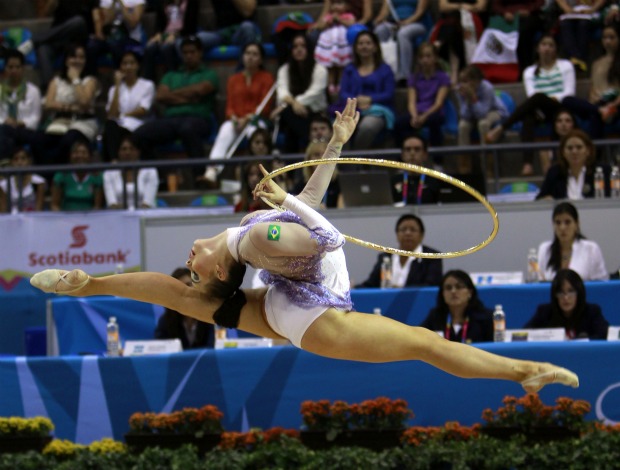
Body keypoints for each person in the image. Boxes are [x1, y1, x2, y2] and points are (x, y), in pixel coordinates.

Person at [31, 98, 579, 394]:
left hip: (293, 313)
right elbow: (324, 232)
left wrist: (333, 148)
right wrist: (285, 200)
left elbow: (315, 213)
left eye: (193, 266)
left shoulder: (252, 239)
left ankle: (89, 282)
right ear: (223, 266)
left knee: (179, 298)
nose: (191, 261)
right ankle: (519, 371)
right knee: (422, 342)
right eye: (199, 269)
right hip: (309, 314)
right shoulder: (256, 238)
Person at [486, 34, 576, 176]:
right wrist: (545, 100)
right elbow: (531, 95)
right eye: (544, 45)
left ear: (556, 49)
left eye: (551, 45)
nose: (547, 48)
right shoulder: (529, 71)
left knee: (539, 97)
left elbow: (569, 92)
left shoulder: (565, 66)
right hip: (540, 109)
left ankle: (502, 127)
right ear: (538, 49)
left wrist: (551, 98)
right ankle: (527, 164)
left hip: (561, 106)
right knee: (528, 117)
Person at [133, 36, 218, 160]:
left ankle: (199, 175)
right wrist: (190, 97)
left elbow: (201, 90)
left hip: (198, 119)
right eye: (185, 53)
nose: (189, 56)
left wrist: (172, 95)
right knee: (140, 135)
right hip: (171, 120)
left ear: (200, 53)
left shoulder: (209, 74)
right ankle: (156, 175)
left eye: (192, 52)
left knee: (188, 129)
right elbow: (160, 96)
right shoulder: (171, 75)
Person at [203, 42, 274, 185]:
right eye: (248, 53)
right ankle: (212, 171)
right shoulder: (233, 79)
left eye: (255, 54)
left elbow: (265, 107)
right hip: (236, 121)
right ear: (242, 56)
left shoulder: (267, 78)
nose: (251, 57)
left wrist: (248, 118)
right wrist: (234, 118)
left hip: (255, 120)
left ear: (260, 59)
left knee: (257, 135)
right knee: (225, 130)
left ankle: (259, 173)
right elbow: (229, 107)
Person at [41, 43, 100, 165]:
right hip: (59, 122)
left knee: (67, 141)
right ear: (67, 60)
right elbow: (48, 104)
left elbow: (84, 102)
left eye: (81, 57)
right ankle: (49, 178)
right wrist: (70, 107)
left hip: (83, 124)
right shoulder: (56, 81)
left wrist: (75, 79)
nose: (77, 60)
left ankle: (59, 176)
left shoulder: (90, 81)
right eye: (73, 57)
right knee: (40, 141)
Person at [271, 33, 328, 153]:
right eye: (295, 46)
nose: (299, 49)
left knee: (290, 127)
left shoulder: (320, 70)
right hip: (292, 113)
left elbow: (313, 94)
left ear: (309, 49)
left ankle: (291, 168)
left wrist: (291, 103)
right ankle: (312, 146)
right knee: (289, 116)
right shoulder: (284, 69)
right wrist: (293, 104)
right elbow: (282, 93)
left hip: (315, 113)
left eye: (303, 46)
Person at [337, 30, 395, 150]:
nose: (364, 46)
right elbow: (343, 92)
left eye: (368, 43)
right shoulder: (349, 69)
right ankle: (344, 163)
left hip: (378, 109)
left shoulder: (385, 69)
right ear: (356, 48)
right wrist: (356, 101)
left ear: (375, 47)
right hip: (353, 108)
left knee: (367, 127)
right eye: (361, 43)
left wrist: (370, 99)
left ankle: (355, 158)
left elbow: (389, 93)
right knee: (340, 128)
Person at [562, 23, 620, 140]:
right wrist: (595, 103)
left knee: (595, 115)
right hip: (598, 104)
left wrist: (613, 105)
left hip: (615, 103)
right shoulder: (596, 63)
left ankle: (595, 154)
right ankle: (600, 110)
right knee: (567, 100)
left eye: (611, 37)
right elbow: (593, 88)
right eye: (604, 38)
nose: (607, 41)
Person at [356, 213, 442, 288]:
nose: (408, 233)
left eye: (413, 230)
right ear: (397, 235)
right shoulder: (387, 257)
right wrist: (353, 288)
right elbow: (371, 284)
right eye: (403, 230)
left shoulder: (432, 257)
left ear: (421, 235)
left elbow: (431, 285)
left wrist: (401, 290)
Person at [524, 269, 609, 340]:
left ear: (579, 293)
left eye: (571, 291)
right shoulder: (545, 312)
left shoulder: (592, 312)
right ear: (555, 295)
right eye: (561, 292)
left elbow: (605, 335)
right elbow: (523, 335)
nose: (566, 298)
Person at [102, 50, 155, 162]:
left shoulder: (147, 85)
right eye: (125, 64)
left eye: (132, 63)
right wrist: (117, 85)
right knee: (109, 126)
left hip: (139, 127)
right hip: (119, 127)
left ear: (138, 66)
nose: (128, 67)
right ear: (120, 67)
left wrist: (123, 114)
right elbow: (111, 115)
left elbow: (143, 110)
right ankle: (114, 161)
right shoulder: (113, 89)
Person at [394, 42, 450, 148]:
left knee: (435, 123)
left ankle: (438, 162)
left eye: (428, 56)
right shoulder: (414, 78)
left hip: (433, 112)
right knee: (400, 124)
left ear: (435, 58)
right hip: (417, 111)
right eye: (422, 57)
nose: (425, 60)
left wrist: (424, 116)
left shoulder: (443, 77)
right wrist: (415, 116)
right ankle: (403, 159)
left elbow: (438, 103)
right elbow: (411, 102)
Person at [33, 0, 97, 93]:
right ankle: (48, 90)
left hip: (77, 38)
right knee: (43, 49)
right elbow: (45, 13)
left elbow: (95, 16)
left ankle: (37, 38)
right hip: (59, 37)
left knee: (78, 21)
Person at [537, 202, 609, 282]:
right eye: (558, 223)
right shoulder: (545, 249)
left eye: (567, 222)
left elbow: (601, 283)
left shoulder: (591, 249)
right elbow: (540, 282)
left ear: (577, 224)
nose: (562, 227)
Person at [456, 64, 508, 173]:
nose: (463, 84)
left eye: (466, 81)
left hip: (494, 112)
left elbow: (482, 113)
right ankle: (464, 167)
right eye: (462, 81)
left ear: (476, 81)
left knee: (483, 124)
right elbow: (464, 115)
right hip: (474, 114)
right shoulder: (460, 89)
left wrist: (473, 98)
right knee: (463, 126)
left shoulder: (487, 88)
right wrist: (467, 99)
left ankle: (488, 167)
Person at [419, 270, 493, 343]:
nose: (453, 291)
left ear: (470, 292)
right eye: (448, 288)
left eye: (459, 287)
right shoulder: (435, 316)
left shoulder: (486, 318)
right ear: (442, 294)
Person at [536, 129, 610, 200]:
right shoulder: (554, 173)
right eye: (570, 148)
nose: (574, 151)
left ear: (588, 151)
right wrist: (545, 200)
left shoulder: (603, 171)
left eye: (579, 147)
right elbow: (539, 200)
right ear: (563, 152)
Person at [154, 267, 215, 348]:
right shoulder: (166, 320)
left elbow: (210, 349)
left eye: (188, 284)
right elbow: (160, 350)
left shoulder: (207, 317)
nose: (185, 291)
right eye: (179, 287)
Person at [373, 0, 431, 84]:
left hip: (416, 23)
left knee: (403, 33)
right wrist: (377, 21)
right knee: (380, 31)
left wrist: (405, 23)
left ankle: (404, 76)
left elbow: (420, 12)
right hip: (394, 23)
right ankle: (382, 73)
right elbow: (384, 12)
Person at [0, 49, 42, 161]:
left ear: (22, 68)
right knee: (4, 132)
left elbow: (35, 119)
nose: (14, 70)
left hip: (25, 131)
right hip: (4, 129)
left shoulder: (33, 91)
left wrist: (20, 123)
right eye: (10, 67)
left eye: (17, 67)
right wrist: (5, 121)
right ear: (5, 68)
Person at [86, 0, 146, 76]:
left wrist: (121, 4)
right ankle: (91, 79)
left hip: (131, 37)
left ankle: (119, 79)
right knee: (92, 47)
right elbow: (107, 22)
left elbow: (133, 23)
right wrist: (114, 4)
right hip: (110, 37)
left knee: (117, 47)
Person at [103, 135, 159, 209]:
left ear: (138, 152)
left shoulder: (150, 171)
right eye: (124, 149)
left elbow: (147, 204)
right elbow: (112, 205)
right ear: (118, 152)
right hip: (118, 217)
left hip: (144, 216)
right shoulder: (109, 173)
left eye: (132, 149)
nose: (128, 152)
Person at [313, 0, 356, 95]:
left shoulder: (348, 16)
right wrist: (327, 22)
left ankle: (341, 84)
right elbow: (320, 26)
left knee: (341, 67)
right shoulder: (328, 16)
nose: (336, 6)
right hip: (329, 44)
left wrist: (340, 19)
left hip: (342, 45)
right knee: (330, 67)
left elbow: (352, 24)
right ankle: (330, 85)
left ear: (347, 6)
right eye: (334, 4)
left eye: (340, 3)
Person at [51, 140, 104, 211]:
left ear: (89, 156)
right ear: (70, 156)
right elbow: (54, 205)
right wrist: (62, 220)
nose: (79, 156)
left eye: (84, 153)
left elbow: (97, 206)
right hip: (65, 219)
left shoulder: (96, 177)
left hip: (90, 219)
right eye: (76, 152)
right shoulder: (61, 175)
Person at [555, 0, 606, 73]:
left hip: (591, 13)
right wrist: (567, 9)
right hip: (571, 13)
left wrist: (592, 9)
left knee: (583, 25)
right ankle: (577, 59)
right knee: (565, 25)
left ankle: (578, 59)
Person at [390, 135, 441, 204]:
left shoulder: (434, 181)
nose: (412, 153)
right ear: (402, 155)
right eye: (408, 149)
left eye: (417, 149)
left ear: (425, 155)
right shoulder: (394, 181)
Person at [292, 140, 342, 209]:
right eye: (317, 154)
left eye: (325, 154)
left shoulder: (339, 182)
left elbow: (342, 210)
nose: (321, 158)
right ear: (309, 159)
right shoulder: (301, 185)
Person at [0, 148, 46, 213]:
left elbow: (39, 211)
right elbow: (3, 212)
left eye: (23, 158)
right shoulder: (3, 185)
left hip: (33, 221)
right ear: (11, 162)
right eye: (16, 159)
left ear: (29, 161)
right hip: (11, 221)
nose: (19, 162)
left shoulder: (39, 182)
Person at [537, 108, 577, 175]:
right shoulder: (546, 149)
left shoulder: (581, 147)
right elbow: (548, 175)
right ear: (554, 125)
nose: (563, 124)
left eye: (568, 121)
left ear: (573, 124)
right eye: (559, 121)